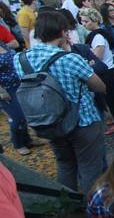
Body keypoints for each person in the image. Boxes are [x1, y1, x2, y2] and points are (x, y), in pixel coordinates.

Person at [13, 10, 107, 192]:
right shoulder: (70, 59)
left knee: (65, 165)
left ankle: (67, 205)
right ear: (63, 32)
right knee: (89, 168)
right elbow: (99, 86)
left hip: (47, 121)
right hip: (82, 121)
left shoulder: (20, 59)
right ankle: (94, 209)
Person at [80, 8, 114, 135]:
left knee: (112, 98)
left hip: (107, 71)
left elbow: (97, 58)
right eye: (82, 21)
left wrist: (89, 61)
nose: (83, 24)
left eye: (86, 21)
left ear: (94, 21)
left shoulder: (98, 36)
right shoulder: (97, 34)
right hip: (108, 69)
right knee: (112, 97)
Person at [0, 41, 41, 155]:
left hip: (19, 84)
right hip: (6, 89)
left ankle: (27, 140)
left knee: (24, 115)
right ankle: (18, 144)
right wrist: (1, 91)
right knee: (17, 118)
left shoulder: (2, 44)